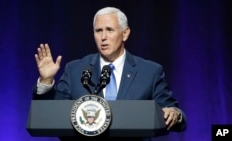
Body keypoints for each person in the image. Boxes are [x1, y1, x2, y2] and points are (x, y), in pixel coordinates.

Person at [33, 7, 186, 141]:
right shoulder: (75, 70)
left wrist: (174, 113)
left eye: (109, 30)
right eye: (98, 31)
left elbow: (174, 113)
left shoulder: (150, 71)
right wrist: (46, 82)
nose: (103, 37)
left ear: (125, 33)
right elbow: (51, 115)